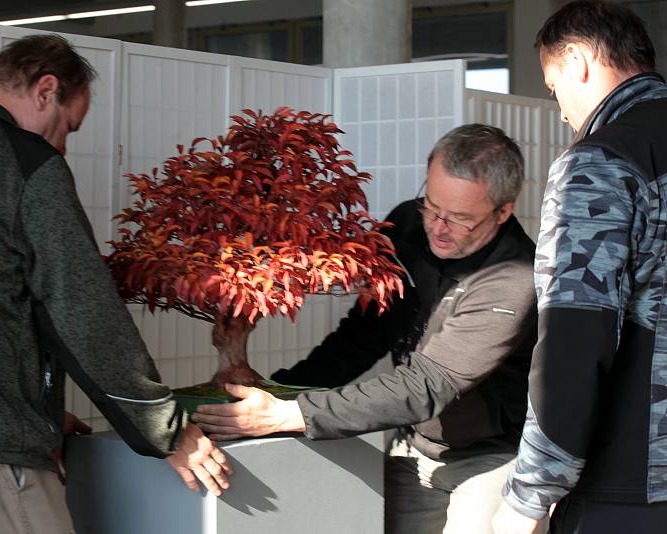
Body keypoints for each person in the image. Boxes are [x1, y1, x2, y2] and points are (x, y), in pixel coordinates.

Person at [0, 35, 230, 534]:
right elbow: (85, 315)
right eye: (68, 126)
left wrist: (36, 412)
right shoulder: (25, 164)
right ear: (45, 89)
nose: (62, 145)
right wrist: (166, 430)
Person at [194, 124, 543, 534]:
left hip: (490, 456)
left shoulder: (514, 279)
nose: (438, 227)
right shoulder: (406, 227)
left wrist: (293, 414)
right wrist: (278, 392)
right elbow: (363, 336)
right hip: (414, 444)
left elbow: (427, 385)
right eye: (431, 206)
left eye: (461, 219)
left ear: (503, 211)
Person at [491, 2, 667, 533]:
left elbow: (576, 334)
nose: (563, 110)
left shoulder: (602, 159)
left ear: (578, 61)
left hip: (634, 480)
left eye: (553, 87)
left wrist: (529, 496)